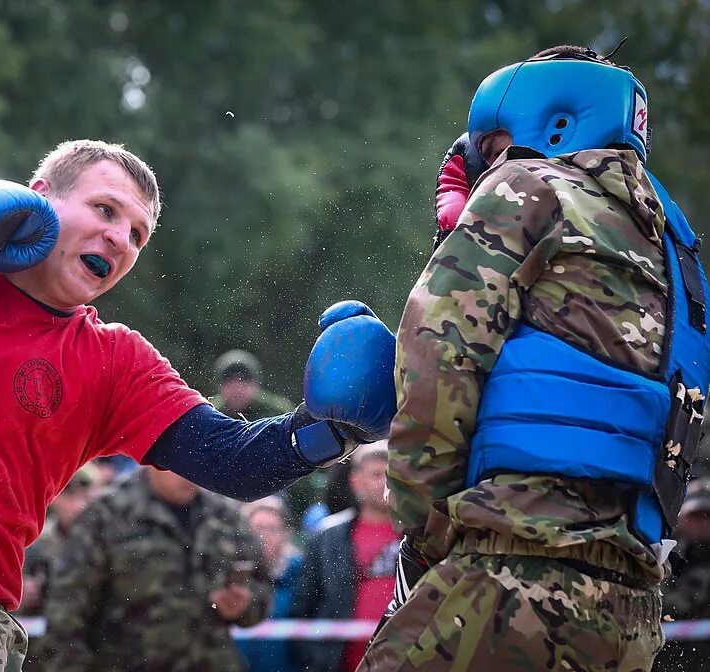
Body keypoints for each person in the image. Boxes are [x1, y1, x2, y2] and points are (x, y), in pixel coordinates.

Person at [0, 139, 398, 667]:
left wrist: (330, 428)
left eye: (139, 235)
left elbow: (232, 461)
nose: (121, 238)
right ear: (38, 204)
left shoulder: (113, 361)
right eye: (106, 211)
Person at [359, 45, 710, 671]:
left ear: (551, 120)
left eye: (491, 144)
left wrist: (426, 534)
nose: (485, 162)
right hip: (629, 613)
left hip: (504, 583)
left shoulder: (527, 188)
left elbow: (435, 358)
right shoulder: (683, 261)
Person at [38, 466, 272, 672]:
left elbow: (262, 590)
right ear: (156, 458)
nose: (191, 470)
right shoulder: (107, 515)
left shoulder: (226, 515)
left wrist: (241, 606)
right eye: (181, 457)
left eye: (200, 457)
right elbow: (65, 613)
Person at [291, 443, 400, 672]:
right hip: (339, 663)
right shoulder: (327, 536)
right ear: (356, 481)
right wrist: (313, 660)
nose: (384, 482)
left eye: (390, 474)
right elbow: (305, 605)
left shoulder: (418, 534)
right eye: (376, 474)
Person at [212, 349, 327, 527]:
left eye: (243, 381)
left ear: (255, 384)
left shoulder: (277, 411)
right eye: (230, 382)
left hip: (275, 485)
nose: (237, 388)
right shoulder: (211, 414)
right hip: (224, 488)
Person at [19, 466, 98, 617]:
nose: (78, 506)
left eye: (85, 496)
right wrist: (22, 594)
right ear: (54, 497)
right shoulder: (34, 541)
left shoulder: (105, 540)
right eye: (70, 496)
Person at [236, 496, 303, 672]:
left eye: (272, 529)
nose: (264, 537)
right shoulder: (231, 577)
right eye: (258, 528)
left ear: (285, 534)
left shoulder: (300, 575)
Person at [653, 477, 710, 672]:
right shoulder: (662, 551)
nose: (703, 523)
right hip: (660, 657)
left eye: (708, 516)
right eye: (696, 515)